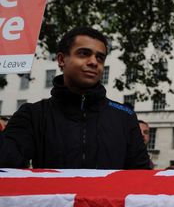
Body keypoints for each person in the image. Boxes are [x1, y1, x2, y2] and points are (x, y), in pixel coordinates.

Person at [0, 27, 151, 169]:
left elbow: (141, 177)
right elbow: (7, 162)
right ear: (61, 59)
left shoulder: (125, 116)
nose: (93, 62)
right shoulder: (32, 114)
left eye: (100, 57)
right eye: (84, 53)